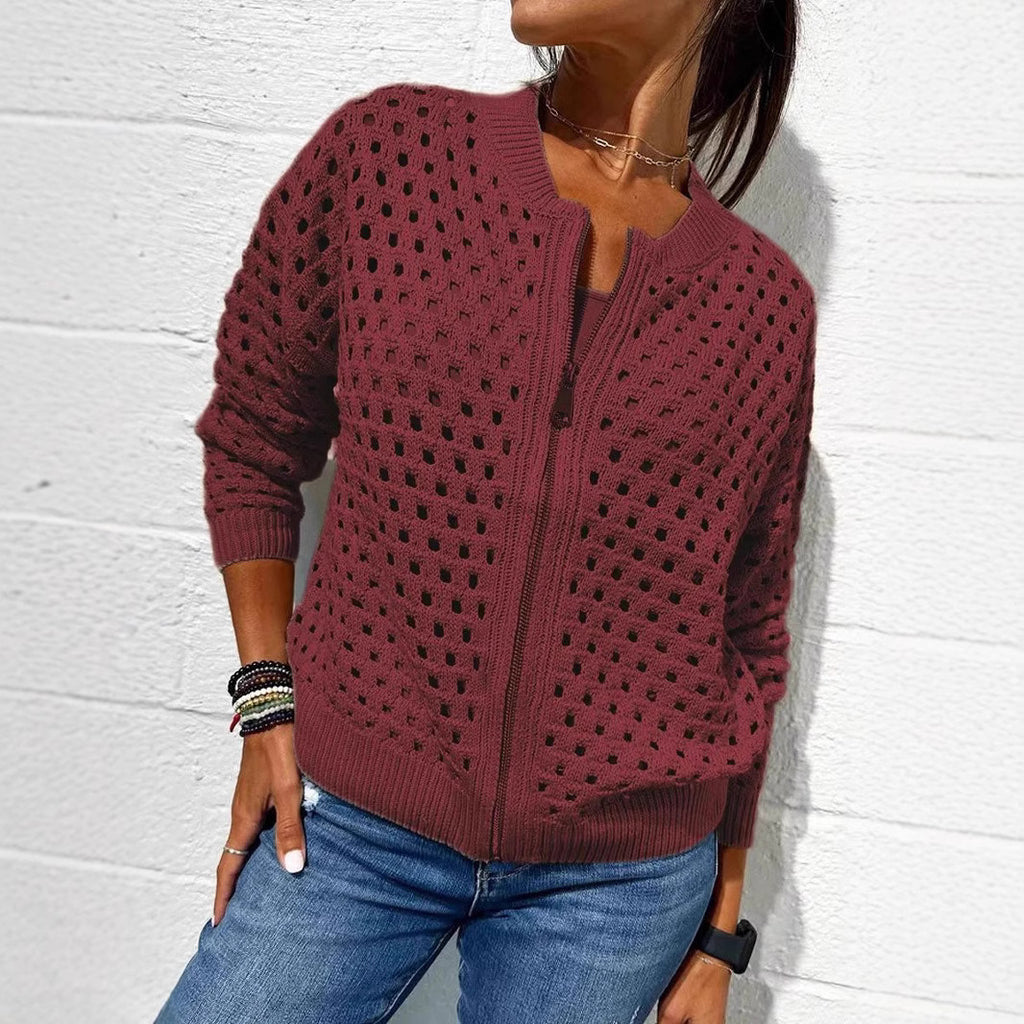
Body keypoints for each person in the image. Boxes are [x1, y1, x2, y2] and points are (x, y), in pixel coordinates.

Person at [155, 0, 817, 1021]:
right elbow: (253, 434)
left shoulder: (763, 304)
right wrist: (266, 703)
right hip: (354, 821)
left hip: (618, 887)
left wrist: (722, 932)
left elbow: (748, 626)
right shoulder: (390, 157)